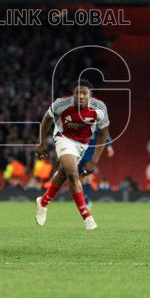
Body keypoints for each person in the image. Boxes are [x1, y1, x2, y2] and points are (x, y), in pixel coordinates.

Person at [33, 80, 109, 231]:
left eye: (84, 93)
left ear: (90, 95)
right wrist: (41, 143)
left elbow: (102, 134)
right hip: (64, 137)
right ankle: (86, 215)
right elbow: (47, 119)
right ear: (72, 94)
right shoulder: (61, 104)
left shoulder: (100, 108)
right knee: (73, 172)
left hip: (83, 144)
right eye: (77, 93)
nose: (80, 96)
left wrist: (94, 161)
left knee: (63, 173)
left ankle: (43, 202)